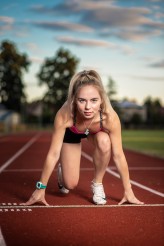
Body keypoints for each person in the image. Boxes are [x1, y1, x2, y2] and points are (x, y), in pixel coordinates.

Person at [21, 70, 143, 206]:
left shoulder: (110, 117)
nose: (88, 107)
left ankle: (97, 184)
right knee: (70, 185)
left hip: (95, 132)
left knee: (105, 141)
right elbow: (53, 154)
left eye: (94, 100)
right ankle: (63, 172)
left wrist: (128, 191)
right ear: (74, 99)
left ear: (101, 99)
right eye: (82, 100)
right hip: (73, 133)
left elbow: (119, 156)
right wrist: (40, 188)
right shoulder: (65, 114)